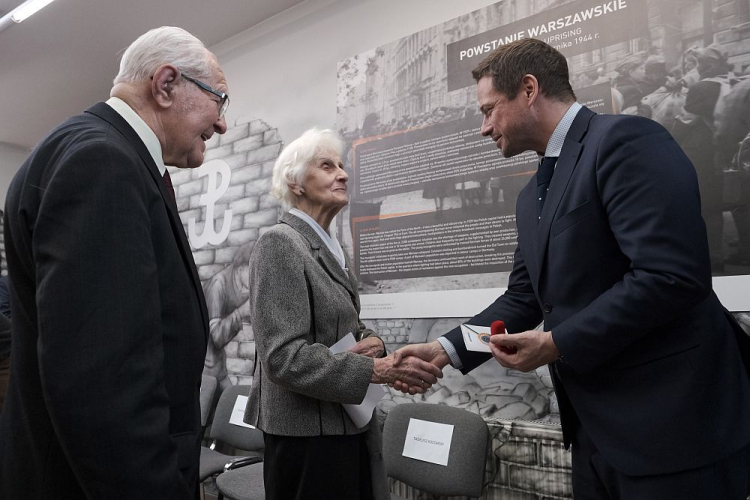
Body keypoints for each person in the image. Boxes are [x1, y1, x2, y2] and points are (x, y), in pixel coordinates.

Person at [394, 38, 750, 499]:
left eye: (488, 110)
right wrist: (447, 349)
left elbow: (671, 275)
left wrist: (558, 342)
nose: (484, 128)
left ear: (528, 89)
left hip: (674, 430)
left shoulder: (625, 140)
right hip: (594, 436)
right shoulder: (531, 196)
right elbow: (524, 299)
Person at [0, 26, 228, 499]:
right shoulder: (103, 161)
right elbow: (107, 389)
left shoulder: (85, 149)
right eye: (219, 100)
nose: (222, 123)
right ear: (166, 85)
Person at [243, 128, 442, 500]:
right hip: (304, 435)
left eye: (341, 165)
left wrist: (375, 343)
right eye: (326, 165)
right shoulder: (279, 243)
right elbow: (282, 358)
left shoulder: (331, 248)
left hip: (344, 420)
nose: (343, 173)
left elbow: (347, 324)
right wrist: (376, 370)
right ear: (295, 181)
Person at [202, 241, 253, 397]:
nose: (256, 276)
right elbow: (216, 336)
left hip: (217, 364)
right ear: (241, 268)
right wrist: (241, 311)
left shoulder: (242, 285)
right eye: (254, 270)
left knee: (233, 403)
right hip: (205, 367)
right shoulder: (219, 285)